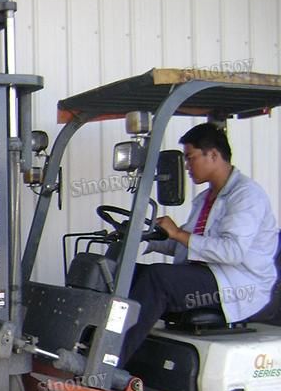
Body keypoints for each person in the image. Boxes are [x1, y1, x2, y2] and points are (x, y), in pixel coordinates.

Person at [119, 122, 278, 366]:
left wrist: (178, 234)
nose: (187, 166)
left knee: (158, 278)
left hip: (236, 282)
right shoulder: (206, 198)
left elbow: (231, 251)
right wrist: (147, 236)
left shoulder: (246, 196)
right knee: (126, 273)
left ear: (213, 155)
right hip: (209, 273)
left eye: (190, 158)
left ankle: (111, 362)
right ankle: (98, 349)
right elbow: (189, 245)